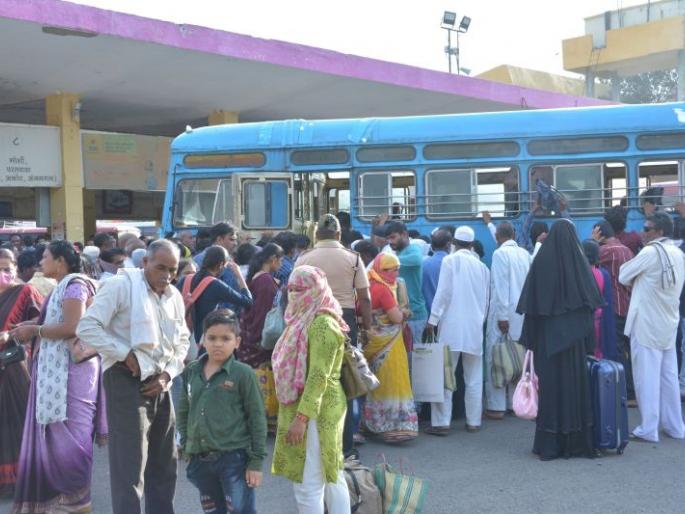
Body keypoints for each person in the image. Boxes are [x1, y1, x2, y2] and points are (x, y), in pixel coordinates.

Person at [76, 239, 190, 514]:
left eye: (173, 270)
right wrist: (125, 353)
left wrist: (167, 375)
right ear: (144, 263)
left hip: (161, 382)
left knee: (165, 465)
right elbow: (86, 327)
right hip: (124, 379)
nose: (166, 275)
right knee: (130, 470)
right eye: (160, 267)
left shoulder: (173, 294)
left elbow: (183, 341)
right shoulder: (121, 285)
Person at [11, 241, 107, 513]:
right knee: (57, 436)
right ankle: (61, 502)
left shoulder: (74, 285)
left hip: (73, 374)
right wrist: (33, 326)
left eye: (45, 256)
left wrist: (35, 331)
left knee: (72, 439)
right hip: (61, 373)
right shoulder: (62, 286)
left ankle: (77, 503)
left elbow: (72, 326)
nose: (41, 261)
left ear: (61, 261)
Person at [517, 219, 602, 461]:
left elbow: (532, 307)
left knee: (551, 393)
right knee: (575, 392)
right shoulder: (579, 264)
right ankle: (576, 443)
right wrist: (587, 344)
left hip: (547, 344)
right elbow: (590, 307)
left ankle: (550, 445)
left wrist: (531, 342)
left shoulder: (542, 262)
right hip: (573, 347)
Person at [271, 266, 350, 514]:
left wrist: (302, 418)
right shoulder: (305, 319)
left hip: (317, 410)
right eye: (291, 290)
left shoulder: (322, 324)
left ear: (316, 290)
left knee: (310, 483)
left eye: (300, 290)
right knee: (330, 474)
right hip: (319, 406)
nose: (294, 295)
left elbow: (318, 377)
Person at [295, 214, 372, 456]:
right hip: (344, 321)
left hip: (311, 320)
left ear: (316, 235)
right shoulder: (353, 258)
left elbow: (294, 295)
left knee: (315, 380)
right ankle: (345, 448)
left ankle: (318, 447)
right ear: (339, 235)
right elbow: (365, 298)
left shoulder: (304, 258)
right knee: (344, 382)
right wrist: (366, 328)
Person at [177, 310, 267, 514]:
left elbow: (257, 419)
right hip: (200, 460)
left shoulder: (243, 374)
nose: (218, 343)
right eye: (212, 338)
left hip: (234, 461)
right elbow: (184, 410)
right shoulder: (192, 370)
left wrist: (255, 462)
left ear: (237, 342)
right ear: (203, 340)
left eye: (225, 338)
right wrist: (186, 445)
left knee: (240, 510)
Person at [618, 213, 685, 443]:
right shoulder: (678, 253)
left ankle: (649, 428)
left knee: (645, 378)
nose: (643, 232)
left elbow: (623, 274)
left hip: (646, 323)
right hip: (669, 322)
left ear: (658, 232)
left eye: (647, 228)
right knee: (669, 378)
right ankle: (676, 426)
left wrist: (639, 280)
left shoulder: (649, 252)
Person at [426, 226, 490, 434]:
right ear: (472, 244)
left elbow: (443, 293)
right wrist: (481, 323)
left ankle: (442, 423)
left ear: (453, 242)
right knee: (473, 377)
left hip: (451, 326)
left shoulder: (449, 261)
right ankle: (473, 421)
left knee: (446, 374)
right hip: (474, 327)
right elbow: (485, 302)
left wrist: (433, 320)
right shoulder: (482, 268)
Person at [0, 249, 42, 498]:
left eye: (7, 268)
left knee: (17, 421)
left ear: (15, 268)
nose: (3, 273)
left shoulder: (26, 292)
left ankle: (23, 478)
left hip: (15, 366)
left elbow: (40, 326)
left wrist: (12, 335)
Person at [363, 253, 418, 442]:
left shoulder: (368, 285)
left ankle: (373, 424)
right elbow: (395, 318)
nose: (396, 273)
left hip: (371, 342)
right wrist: (404, 312)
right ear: (382, 270)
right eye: (392, 269)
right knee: (394, 381)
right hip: (390, 344)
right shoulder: (383, 289)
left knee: (375, 384)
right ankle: (396, 427)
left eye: (397, 269)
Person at [484, 222, 531, 420]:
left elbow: (501, 287)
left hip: (504, 315)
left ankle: (496, 406)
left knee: (496, 358)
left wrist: (502, 316)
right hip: (522, 314)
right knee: (517, 357)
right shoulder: (524, 254)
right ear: (513, 234)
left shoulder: (500, 254)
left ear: (497, 238)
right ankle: (514, 402)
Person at [592, 219, 636, 402]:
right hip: (628, 305)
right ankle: (633, 391)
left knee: (617, 350)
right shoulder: (626, 250)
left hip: (614, 307)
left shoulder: (606, 251)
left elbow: (585, 258)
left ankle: (627, 392)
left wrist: (593, 242)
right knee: (628, 349)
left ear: (600, 233)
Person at [177, 246, 253, 343]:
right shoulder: (215, 284)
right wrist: (238, 274)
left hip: (181, 336)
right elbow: (247, 301)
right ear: (221, 265)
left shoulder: (185, 279)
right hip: (202, 339)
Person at [385, 221, 428, 348]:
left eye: (393, 237)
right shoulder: (398, 254)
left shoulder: (413, 249)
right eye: (388, 238)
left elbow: (417, 259)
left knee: (412, 360)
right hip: (401, 315)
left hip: (414, 315)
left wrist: (386, 261)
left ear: (404, 234)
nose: (390, 242)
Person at [582, 239, 618, 361]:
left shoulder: (578, 274)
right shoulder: (603, 274)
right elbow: (608, 306)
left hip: (583, 325)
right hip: (599, 324)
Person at [422, 229, 451, 314]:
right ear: (448, 244)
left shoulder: (424, 264)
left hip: (429, 314)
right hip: (447, 316)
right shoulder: (453, 264)